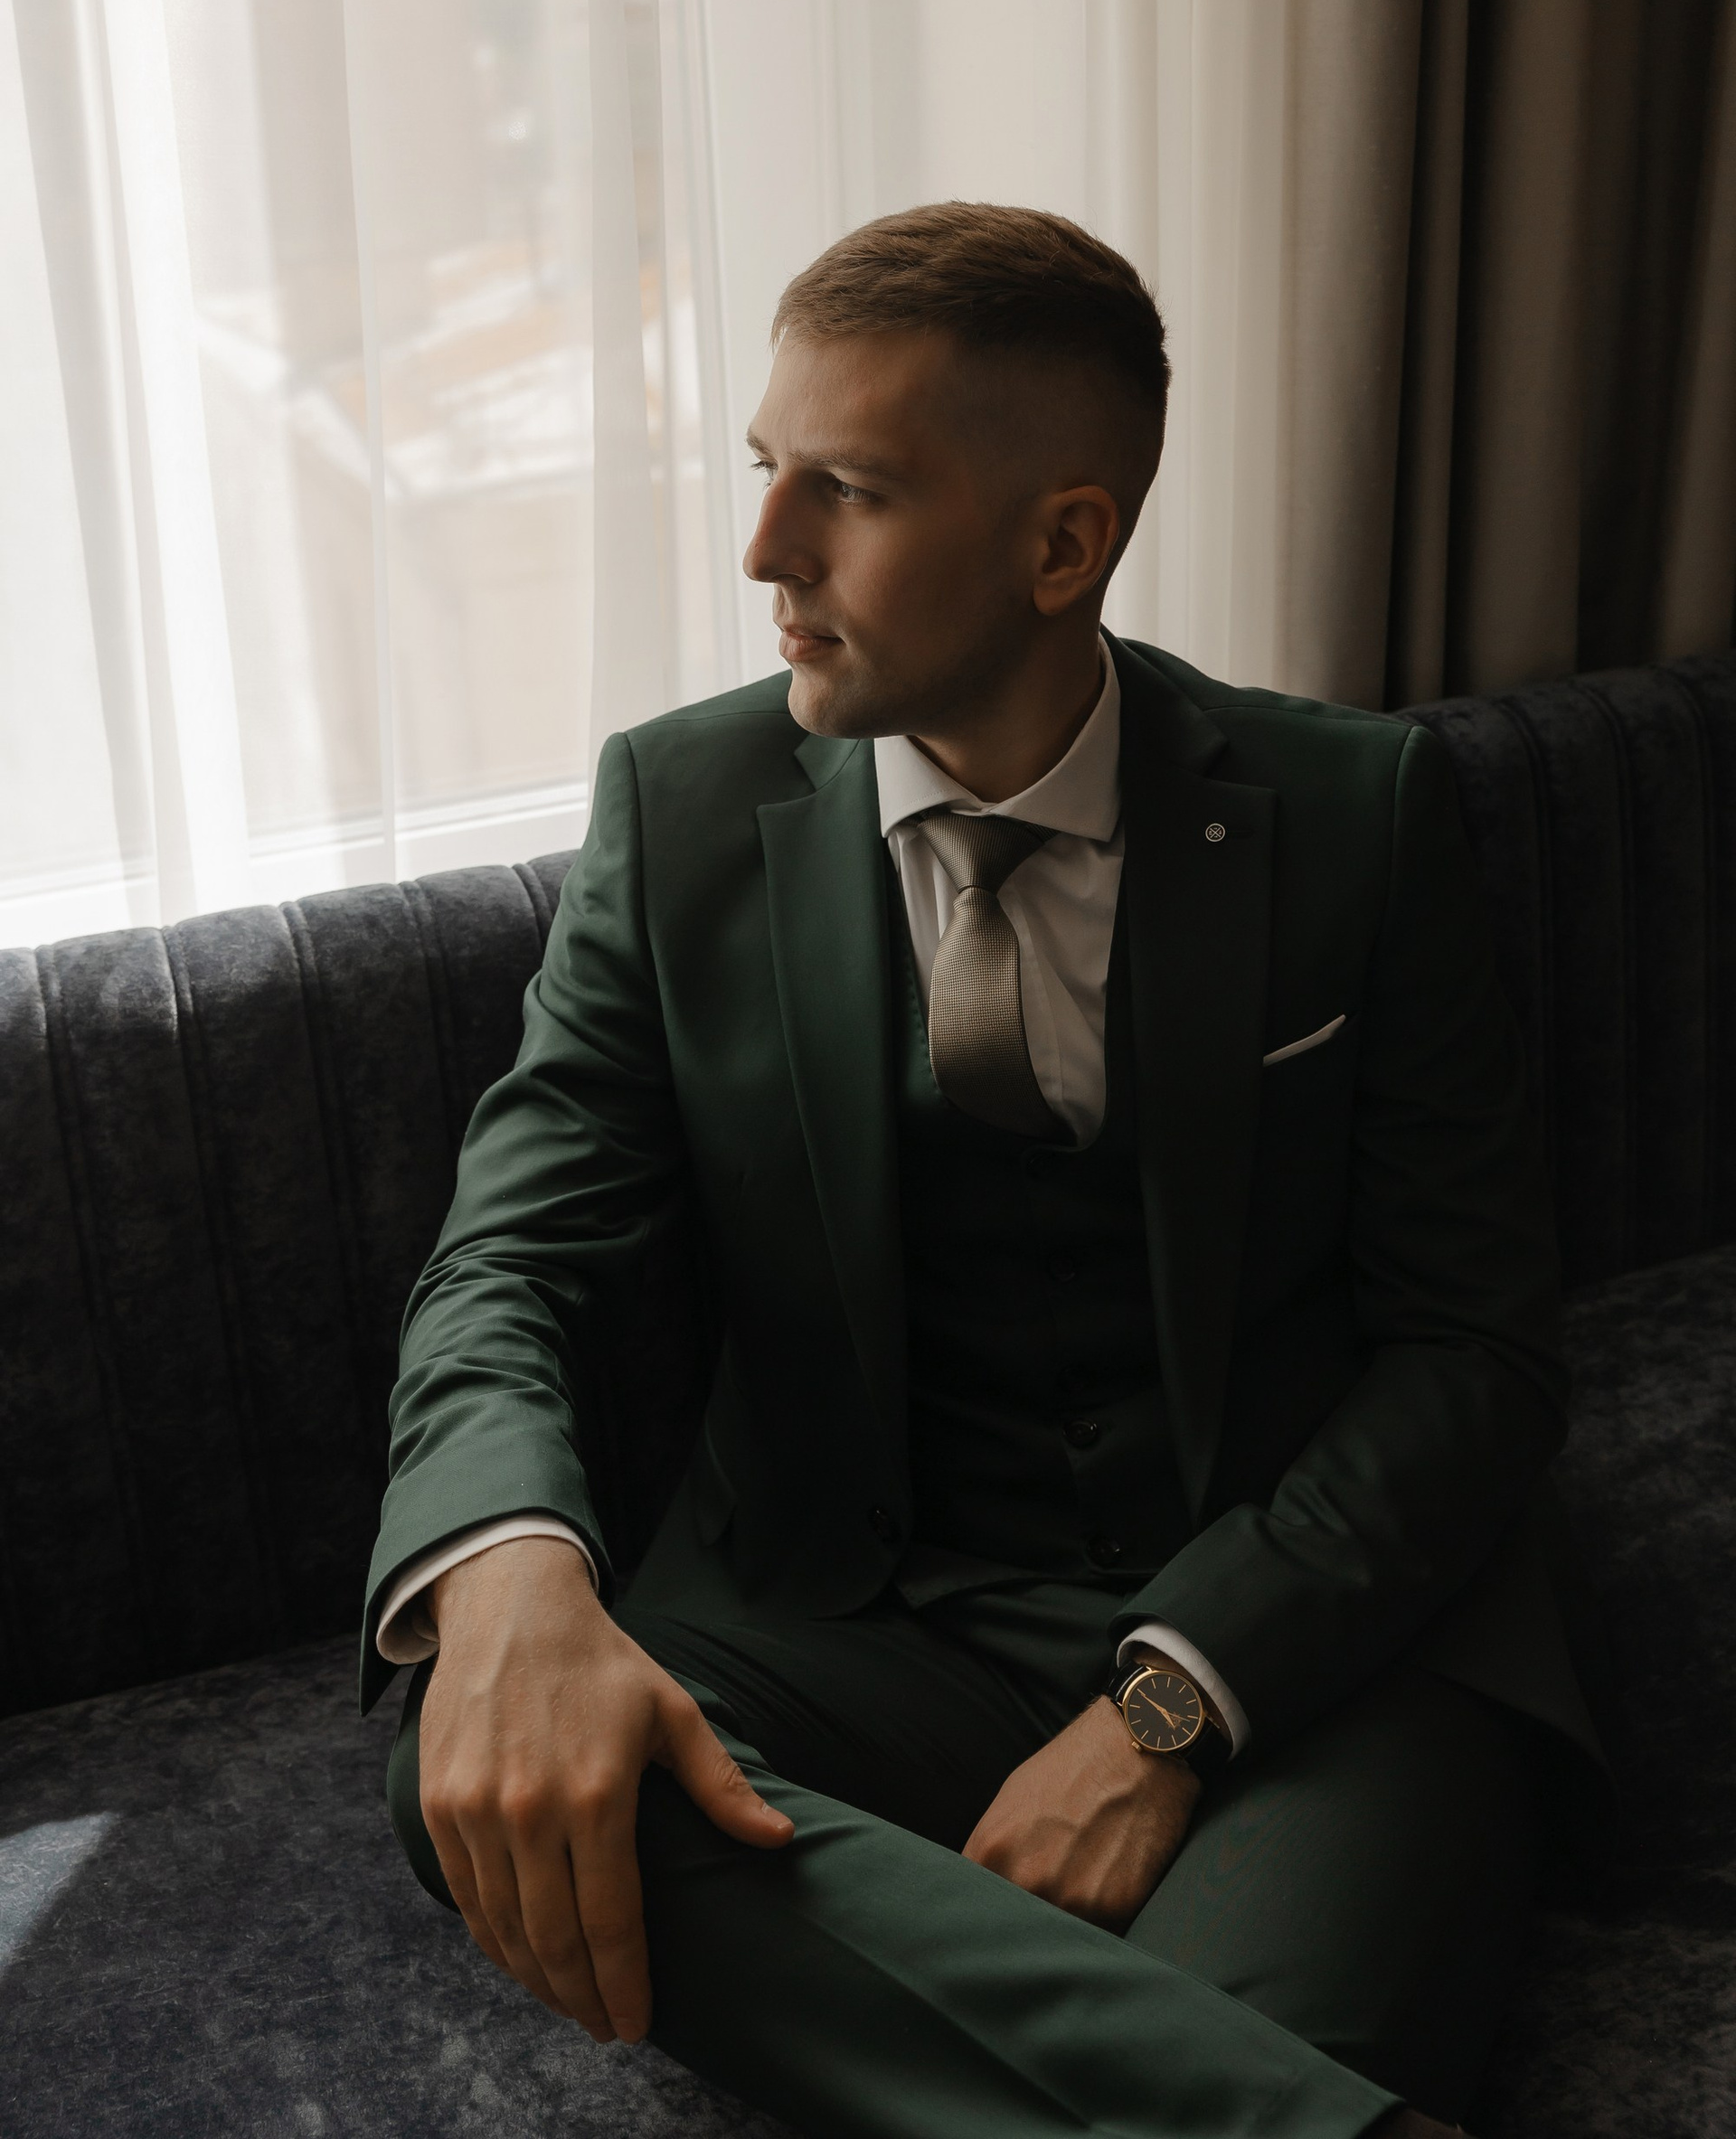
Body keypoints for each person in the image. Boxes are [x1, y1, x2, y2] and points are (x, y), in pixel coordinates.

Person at [363, 204, 1606, 2139]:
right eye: (765, 471)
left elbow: (1477, 1354)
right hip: (841, 1624)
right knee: (501, 1766)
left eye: (848, 491)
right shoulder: (676, 814)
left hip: (1298, 1632)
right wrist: (515, 1567)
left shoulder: (1355, 817)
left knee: (1257, 2026)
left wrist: (1168, 1708)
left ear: (1061, 544)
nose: (766, 553)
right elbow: (511, 1257)